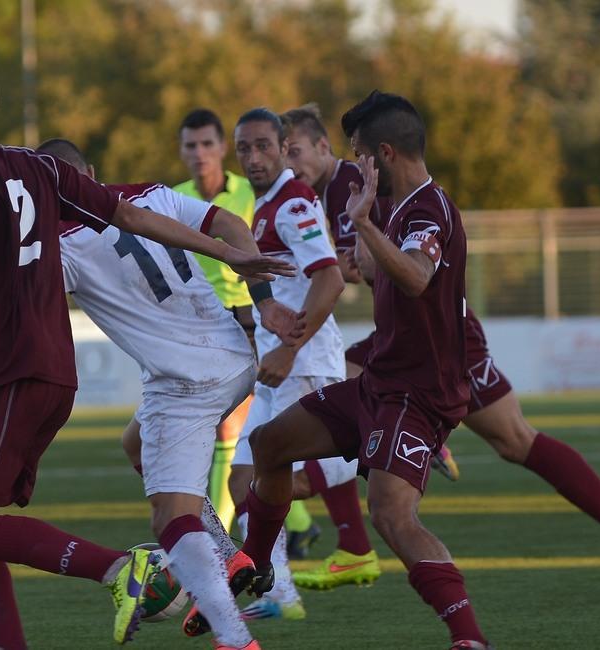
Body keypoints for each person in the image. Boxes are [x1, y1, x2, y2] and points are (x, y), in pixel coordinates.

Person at [0, 59, 292, 649]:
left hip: (60, 376)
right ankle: (227, 559)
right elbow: (146, 217)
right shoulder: (70, 175)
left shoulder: (15, 211)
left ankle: (155, 586)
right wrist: (237, 265)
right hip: (175, 360)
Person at [239, 91, 492, 649]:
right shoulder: (394, 206)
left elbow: (419, 277)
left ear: (383, 153)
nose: (352, 164)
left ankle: (469, 639)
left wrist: (365, 229)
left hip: (418, 393)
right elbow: (380, 273)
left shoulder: (429, 207)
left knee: (392, 515)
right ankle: (254, 571)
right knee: (269, 444)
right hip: (380, 381)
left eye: (357, 153)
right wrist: (364, 239)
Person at [33, 137, 305, 649]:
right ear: (89, 171)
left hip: (186, 384)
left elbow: (26, 322)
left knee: (171, 518)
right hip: (233, 356)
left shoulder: (61, 247)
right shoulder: (151, 195)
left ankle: (234, 638)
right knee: (135, 444)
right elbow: (227, 223)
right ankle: (231, 555)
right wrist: (263, 300)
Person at [348, 259, 600, 601]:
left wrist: (338, 262)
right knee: (338, 379)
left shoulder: (390, 205)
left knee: (514, 440)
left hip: (441, 332)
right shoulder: (333, 206)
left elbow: (366, 268)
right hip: (401, 333)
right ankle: (343, 542)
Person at [228, 107, 354, 621]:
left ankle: (385, 448)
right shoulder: (265, 206)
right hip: (284, 366)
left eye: (263, 146)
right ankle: (276, 591)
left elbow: (330, 279)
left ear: (283, 147)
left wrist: (288, 349)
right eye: (245, 149)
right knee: (243, 478)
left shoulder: (292, 202)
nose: (253, 157)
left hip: (305, 364)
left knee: (286, 473)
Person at [174, 109, 258, 532]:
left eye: (207, 143)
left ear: (223, 148)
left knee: (234, 430)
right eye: (191, 145)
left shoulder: (250, 193)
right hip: (195, 326)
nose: (200, 153)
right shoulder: (173, 198)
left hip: (248, 324)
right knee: (234, 431)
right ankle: (294, 523)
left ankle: (219, 535)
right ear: (181, 150)